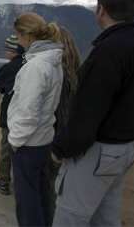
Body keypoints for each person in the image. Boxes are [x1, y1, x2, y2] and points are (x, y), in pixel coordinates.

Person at [51, 0, 134, 227]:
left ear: (101, 10)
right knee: (106, 216)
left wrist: (60, 149)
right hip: (128, 149)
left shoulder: (107, 52)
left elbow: (86, 113)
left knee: (69, 218)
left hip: (99, 153)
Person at [7, 12, 64, 227]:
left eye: (18, 35)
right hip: (44, 139)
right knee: (42, 193)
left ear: (26, 35)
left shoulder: (35, 67)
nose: (17, 40)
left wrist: (15, 141)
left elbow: (28, 112)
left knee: (27, 201)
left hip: (28, 144)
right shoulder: (53, 61)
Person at [46, 27, 81, 223]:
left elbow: (57, 112)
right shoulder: (78, 73)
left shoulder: (55, 76)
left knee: (50, 189)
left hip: (54, 142)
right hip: (72, 142)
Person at [0, 34, 24, 195]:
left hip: (10, 116)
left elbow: (0, 85)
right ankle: (23, 183)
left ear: (13, 51)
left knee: (6, 149)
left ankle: (3, 182)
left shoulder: (8, 69)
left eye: (7, 48)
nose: (5, 51)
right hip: (27, 118)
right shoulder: (31, 64)